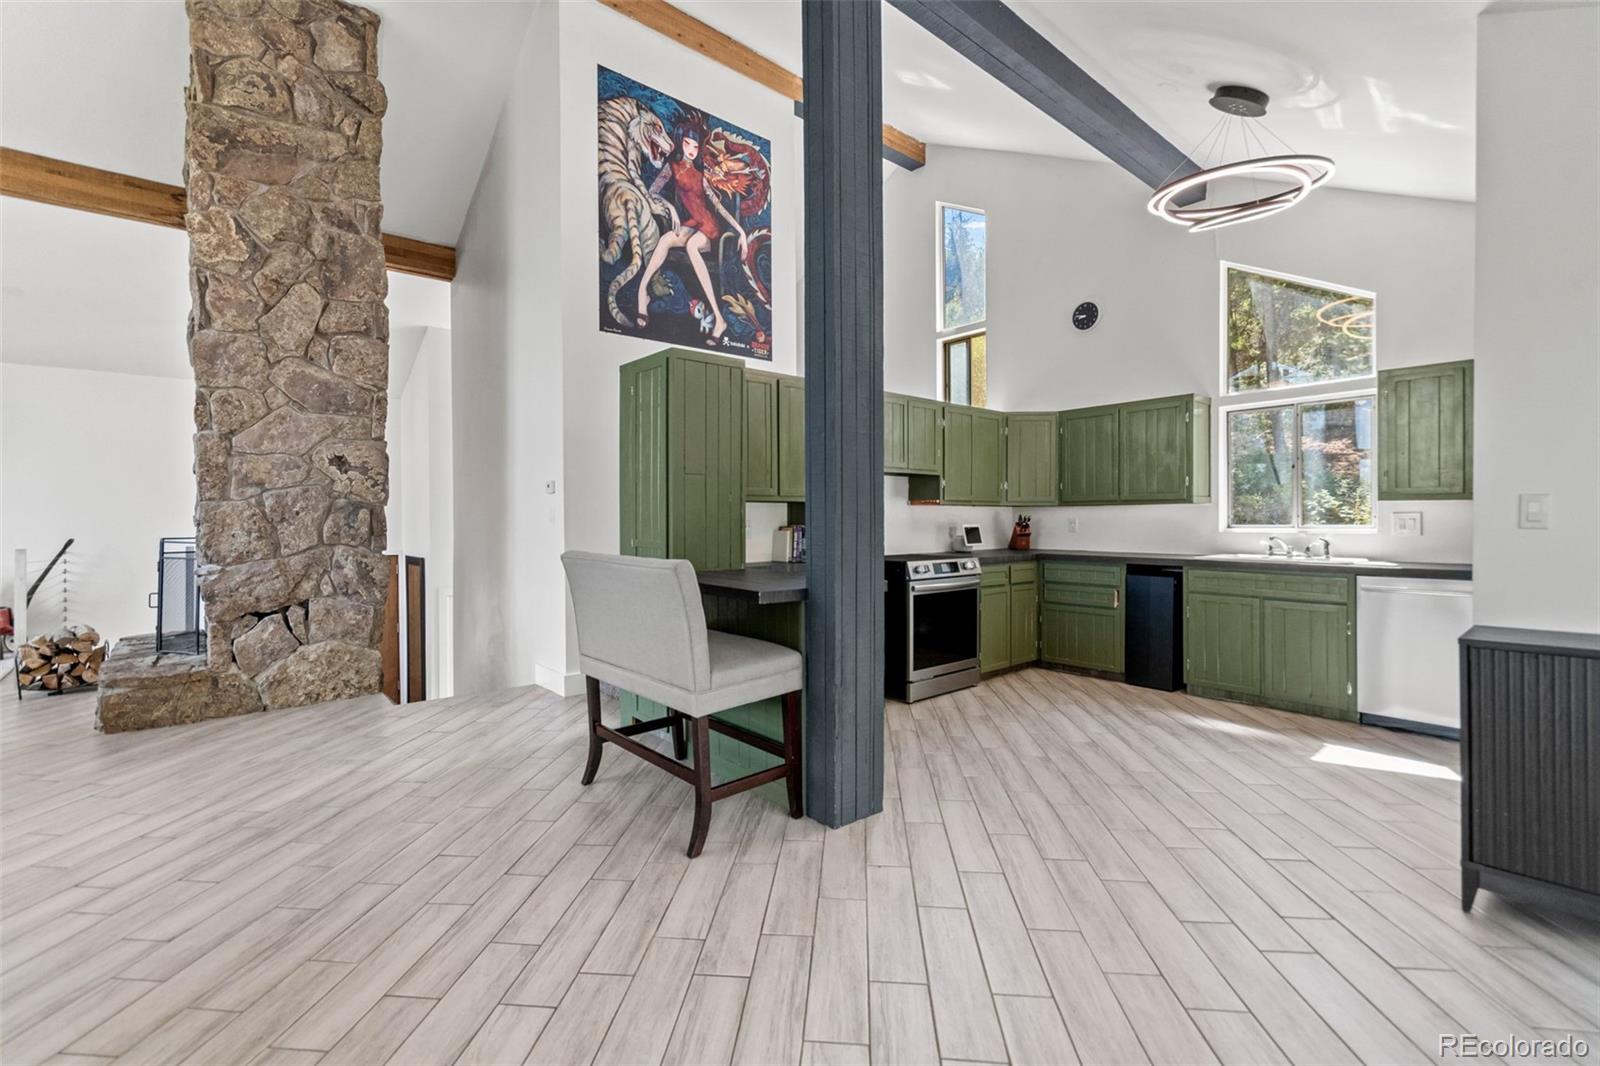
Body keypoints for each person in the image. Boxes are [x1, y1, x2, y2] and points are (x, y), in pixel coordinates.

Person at [636, 114, 748, 342]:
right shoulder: (672, 167)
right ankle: (641, 292)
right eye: (688, 144)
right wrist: (670, 208)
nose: (692, 150)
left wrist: (742, 232)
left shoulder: (701, 175)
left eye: (696, 146)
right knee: (666, 239)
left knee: (692, 246)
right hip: (692, 223)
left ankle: (719, 318)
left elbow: (717, 206)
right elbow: (651, 193)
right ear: (680, 143)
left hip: (709, 227)